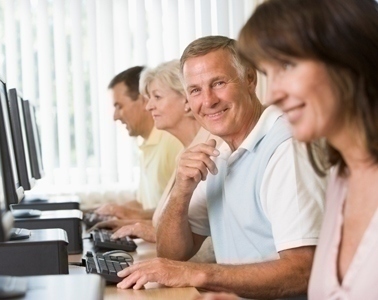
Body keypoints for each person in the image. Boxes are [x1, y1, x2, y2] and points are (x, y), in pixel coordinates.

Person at [116, 36, 327, 300]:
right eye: (194, 90)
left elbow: (303, 271)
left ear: (250, 79)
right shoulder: (218, 149)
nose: (208, 100)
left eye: (218, 83)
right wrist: (182, 189)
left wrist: (200, 274)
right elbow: (172, 254)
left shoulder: (287, 148)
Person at [237, 0, 378, 298]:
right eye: (268, 72)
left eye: (286, 65)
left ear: (347, 54)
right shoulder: (342, 175)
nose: (273, 94)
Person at [102, 60, 221, 263]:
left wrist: (147, 230)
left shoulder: (211, 151)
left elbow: (213, 239)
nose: (148, 106)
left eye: (157, 97)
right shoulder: (185, 152)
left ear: (186, 100)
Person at [93, 66, 182, 219]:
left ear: (143, 100)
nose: (115, 116)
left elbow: (183, 214)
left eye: (119, 106)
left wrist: (127, 214)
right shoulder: (148, 144)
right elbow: (145, 204)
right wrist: (107, 211)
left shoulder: (173, 142)